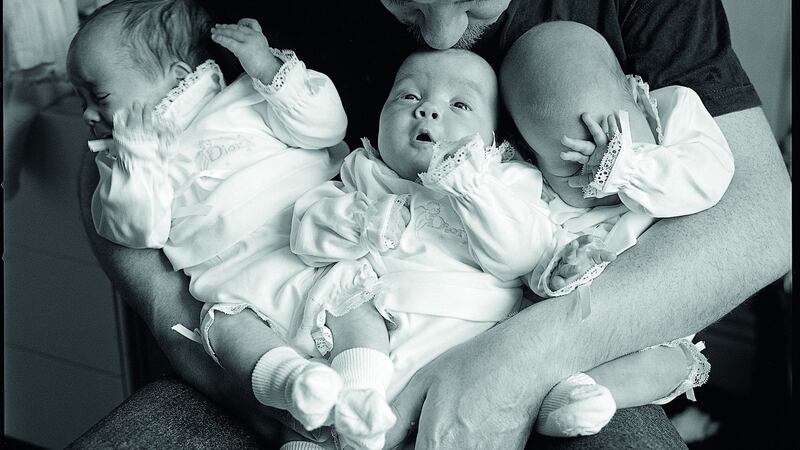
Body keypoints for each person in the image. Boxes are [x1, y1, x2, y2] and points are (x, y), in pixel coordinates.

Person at [75, 1, 790, 448]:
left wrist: (510, 367)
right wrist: (228, 360)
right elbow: (116, 132)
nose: (445, 34)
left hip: (555, 337)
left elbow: (766, 217)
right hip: (307, 337)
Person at [68, 0, 362, 438]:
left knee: (361, 313)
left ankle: (364, 387)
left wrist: (270, 71)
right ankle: (294, 390)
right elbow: (137, 229)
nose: (88, 114)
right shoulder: (129, 164)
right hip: (242, 289)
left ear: (180, 78)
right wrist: (137, 156)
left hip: (320, 244)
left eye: (100, 96)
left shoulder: (248, 96)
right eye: (83, 99)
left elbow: (326, 127)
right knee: (232, 337)